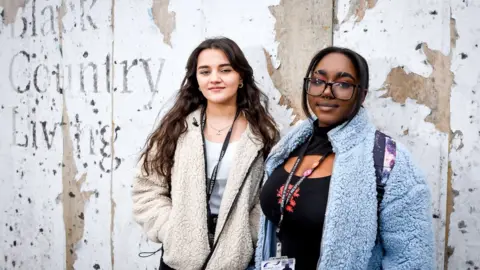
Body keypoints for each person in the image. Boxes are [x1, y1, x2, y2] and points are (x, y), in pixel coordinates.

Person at [254, 46, 435, 269]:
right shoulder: (288, 147)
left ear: (362, 94)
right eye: (318, 81)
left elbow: (412, 258)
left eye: (343, 84)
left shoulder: (388, 160)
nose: (327, 91)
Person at [132, 37, 278, 270]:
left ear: (240, 77)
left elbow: (270, 194)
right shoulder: (176, 128)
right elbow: (146, 188)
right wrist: (172, 231)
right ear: (196, 80)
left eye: (225, 70)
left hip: (236, 260)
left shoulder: (261, 135)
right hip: (180, 258)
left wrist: (247, 235)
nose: (215, 79)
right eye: (205, 71)